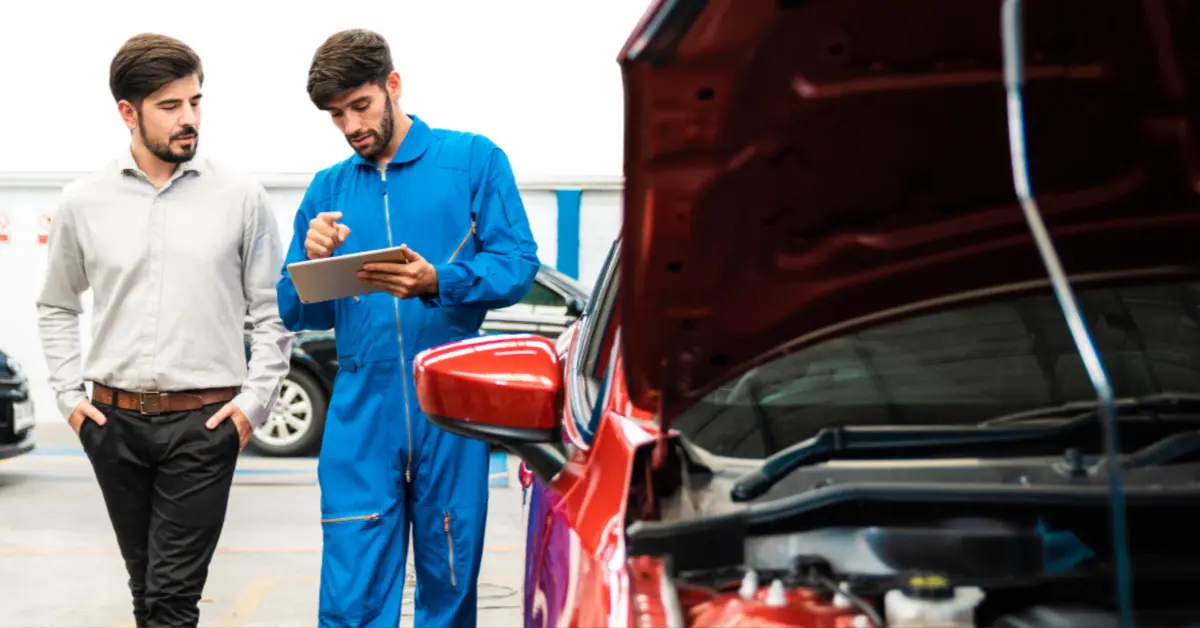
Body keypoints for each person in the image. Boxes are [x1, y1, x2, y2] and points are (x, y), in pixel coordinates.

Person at [276, 28, 540, 628]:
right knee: (352, 589)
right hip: (361, 408)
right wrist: (312, 266)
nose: (350, 127)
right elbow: (296, 309)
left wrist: (439, 281)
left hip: (448, 398)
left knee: (449, 576)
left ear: (393, 85)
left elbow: (518, 266)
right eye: (336, 115)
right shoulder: (328, 189)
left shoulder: (473, 160)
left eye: (360, 106)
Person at [35, 33, 293, 628]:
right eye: (170, 106)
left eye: (195, 102)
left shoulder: (240, 196)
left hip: (203, 426)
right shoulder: (83, 201)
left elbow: (271, 310)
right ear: (128, 113)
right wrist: (69, 400)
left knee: (172, 598)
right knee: (145, 586)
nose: (189, 119)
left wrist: (253, 404)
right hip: (112, 424)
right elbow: (56, 305)